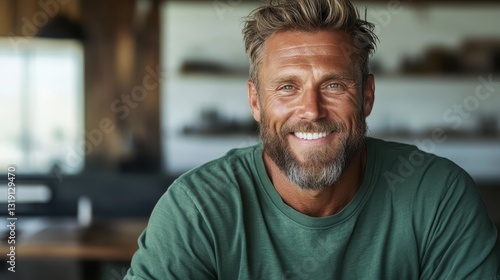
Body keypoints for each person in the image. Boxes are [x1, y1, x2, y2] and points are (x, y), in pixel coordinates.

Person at [125, 0, 500, 279]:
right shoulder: (197, 209)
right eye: (288, 87)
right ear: (256, 101)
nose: (312, 110)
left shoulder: (438, 196)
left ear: (367, 95)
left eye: (334, 85)